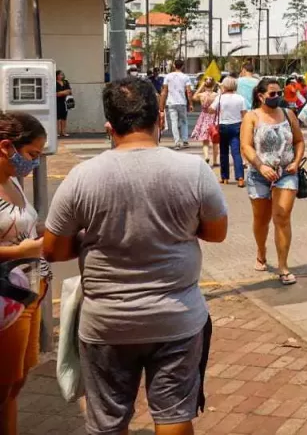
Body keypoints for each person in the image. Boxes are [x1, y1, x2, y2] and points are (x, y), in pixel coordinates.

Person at [42, 77, 228, 435]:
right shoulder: (194, 170)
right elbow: (216, 233)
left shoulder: (82, 177)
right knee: (174, 415)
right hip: (177, 317)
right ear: (159, 118)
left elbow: (53, 249)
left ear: (109, 127)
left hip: (107, 321)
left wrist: (92, 239)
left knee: (108, 421)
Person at [0, 113, 48, 435]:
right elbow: (18, 244)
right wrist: (19, 252)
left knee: (15, 383)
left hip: (30, 291)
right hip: (5, 300)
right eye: (31, 154)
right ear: (6, 146)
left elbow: (24, 228)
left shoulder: (13, 180)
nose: (35, 164)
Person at [241, 78, 305, 285]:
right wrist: (261, 166)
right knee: (261, 220)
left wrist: (295, 162)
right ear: (260, 96)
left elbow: (299, 140)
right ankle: (261, 251)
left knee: (282, 216)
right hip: (259, 174)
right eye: (272, 94)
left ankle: (283, 267)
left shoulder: (288, 114)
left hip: (286, 172)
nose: (277, 97)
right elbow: (246, 146)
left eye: (279, 93)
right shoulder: (252, 117)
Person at [212, 77, 247, 187]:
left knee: (223, 152)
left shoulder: (220, 98)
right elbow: (244, 114)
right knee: (236, 153)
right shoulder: (240, 98)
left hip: (223, 126)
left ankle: (225, 177)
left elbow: (211, 109)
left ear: (225, 86)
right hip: (236, 125)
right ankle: (240, 177)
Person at [159, 59, 193, 149]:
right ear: (182, 66)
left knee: (174, 122)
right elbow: (189, 91)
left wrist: (161, 105)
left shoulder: (168, 76)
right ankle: (185, 141)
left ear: (174, 65)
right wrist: (191, 104)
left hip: (171, 102)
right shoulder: (185, 77)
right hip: (182, 102)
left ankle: (177, 142)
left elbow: (164, 91)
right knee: (184, 121)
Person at [190, 77, 220, 168]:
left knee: (205, 140)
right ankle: (215, 160)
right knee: (215, 141)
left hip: (204, 117)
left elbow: (193, 97)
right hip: (214, 118)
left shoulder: (201, 95)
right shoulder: (216, 95)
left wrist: (201, 85)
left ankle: (206, 156)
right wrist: (217, 85)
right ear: (213, 85)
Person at [55, 69, 73, 138]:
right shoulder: (54, 82)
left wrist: (61, 92)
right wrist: (64, 92)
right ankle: (57, 132)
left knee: (64, 117)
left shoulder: (66, 82)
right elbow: (56, 94)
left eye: (62, 74)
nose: (61, 76)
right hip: (57, 101)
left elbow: (69, 91)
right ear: (56, 75)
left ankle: (64, 132)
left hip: (65, 101)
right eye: (60, 75)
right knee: (57, 117)